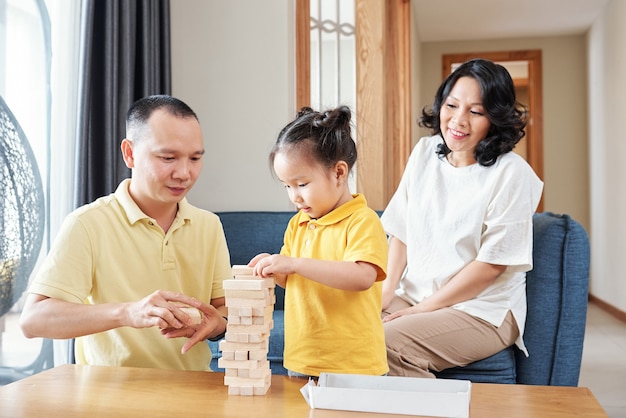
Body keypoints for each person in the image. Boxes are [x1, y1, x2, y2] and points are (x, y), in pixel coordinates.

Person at [20, 95, 232, 370]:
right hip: (109, 395)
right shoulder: (87, 224)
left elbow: (224, 308)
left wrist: (218, 324)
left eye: (194, 158)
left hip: (194, 391)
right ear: (129, 153)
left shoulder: (209, 225)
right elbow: (32, 320)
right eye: (168, 157)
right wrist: (128, 312)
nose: (184, 172)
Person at [381, 58, 544, 378]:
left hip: (484, 310)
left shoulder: (512, 173)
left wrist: (420, 311)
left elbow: (491, 267)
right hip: (416, 295)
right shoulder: (425, 153)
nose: (458, 120)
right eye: (452, 105)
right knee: (344, 333)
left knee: (385, 342)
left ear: (495, 118)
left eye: (476, 111)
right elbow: (401, 232)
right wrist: (385, 294)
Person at [249, 106, 389, 378]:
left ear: (339, 173)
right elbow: (290, 279)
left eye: (302, 184)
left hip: (354, 365)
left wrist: (295, 264)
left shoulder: (362, 221)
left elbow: (362, 276)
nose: (294, 197)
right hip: (302, 359)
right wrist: (274, 267)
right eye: (286, 186)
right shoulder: (298, 224)